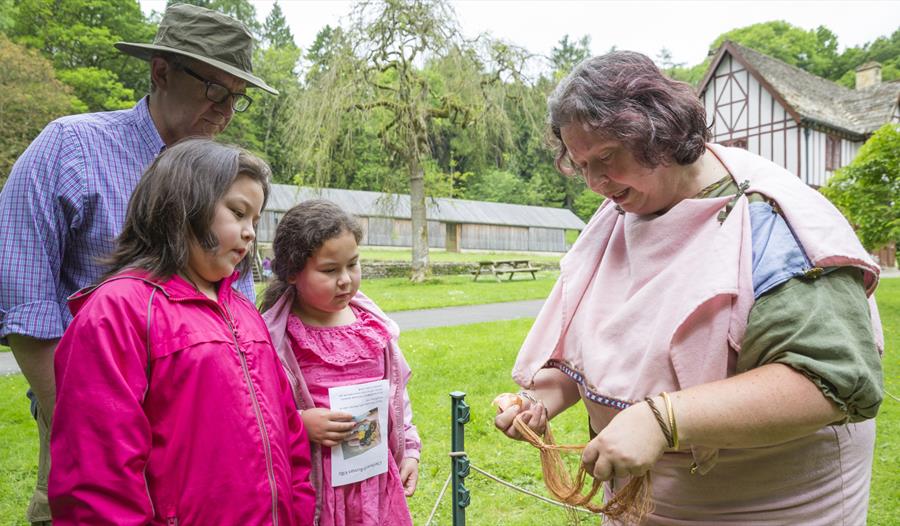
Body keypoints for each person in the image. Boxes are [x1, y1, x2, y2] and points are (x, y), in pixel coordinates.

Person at [494, 51, 884, 524]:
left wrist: (664, 419)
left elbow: (834, 380)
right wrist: (541, 401)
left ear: (658, 132)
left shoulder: (768, 219)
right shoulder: (621, 211)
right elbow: (598, 345)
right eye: (582, 165)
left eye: (606, 158)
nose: (595, 182)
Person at [0, 4, 278, 523]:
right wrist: (86, 430)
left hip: (208, 433)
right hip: (88, 422)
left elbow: (235, 306)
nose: (224, 110)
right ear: (161, 71)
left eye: (236, 99)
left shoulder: (227, 177)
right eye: (215, 90)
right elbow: (26, 304)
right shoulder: (71, 148)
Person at [49, 138, 314, 524]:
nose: (250, 233)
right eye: (238, 213)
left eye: (254, 221)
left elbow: (291, 438)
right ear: (182, 206)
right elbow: (97, 480)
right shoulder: (118, 312)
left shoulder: (244, 312)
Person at [260, 200, 421, 526]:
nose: (346, 280)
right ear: (292, 271)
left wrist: (411, 450)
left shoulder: (374, 327)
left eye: (353, 264)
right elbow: (256, 407)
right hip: (315, 487)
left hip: (375, 480)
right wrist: (300, 422)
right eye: (330, 270)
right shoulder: (276, 338)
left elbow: (396, 395)